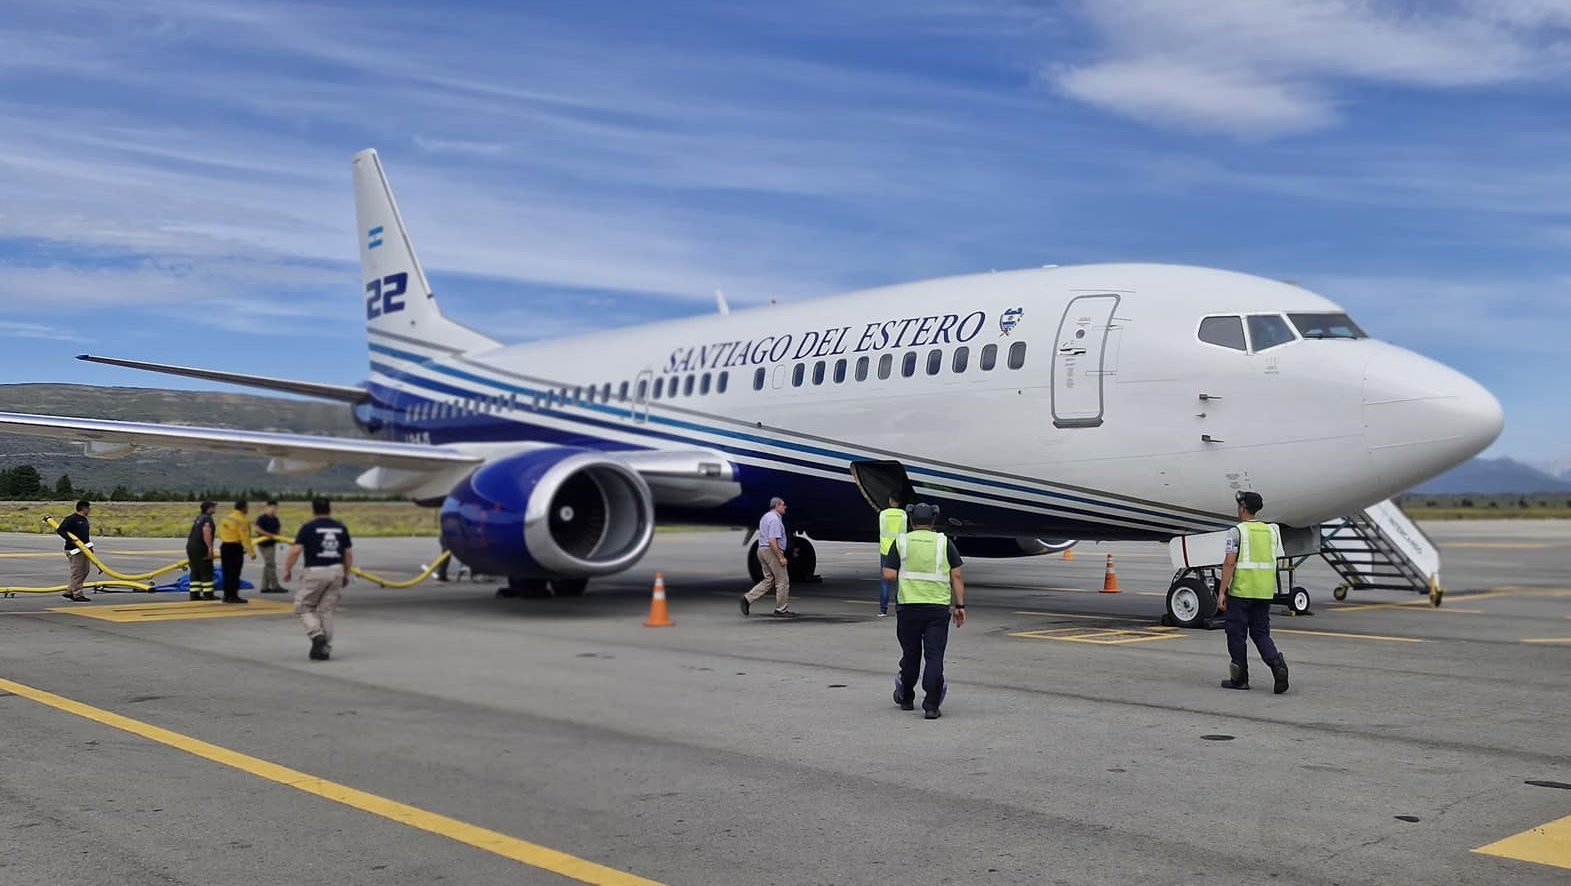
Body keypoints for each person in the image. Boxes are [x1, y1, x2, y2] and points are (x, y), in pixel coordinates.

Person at [883, 503, 965, 719]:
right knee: (934, 655)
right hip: (937, 609)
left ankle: (907, 697)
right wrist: (960, 606)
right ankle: (931, 704)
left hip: (908, 608)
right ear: (933, 521)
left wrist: (908, 575)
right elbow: (956, 576)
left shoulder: (901, 542)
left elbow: (889, 575)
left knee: (910, 654)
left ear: (911, 520)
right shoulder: (943, 542)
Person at [1217, 490, 1290, 694]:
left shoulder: (1237, 532)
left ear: (1242, 508)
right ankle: (1277, 666)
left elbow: (1229, 563)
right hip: (1264, 592)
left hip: (1242, 593)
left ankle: (1240, 679)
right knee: (1260, 634)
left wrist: (1222, 591)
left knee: (1236, 635)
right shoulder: (1271, 531)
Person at [283, 498, 353, 661]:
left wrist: (287, 569)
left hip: (316, 571)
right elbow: (348, 553)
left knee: (303, 606)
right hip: (337, 570)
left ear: (313, 510)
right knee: (326, 610)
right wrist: (347, 573)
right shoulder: (340, 527)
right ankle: (323, 649)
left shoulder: (308, 527)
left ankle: (317, 635)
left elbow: (295, 550)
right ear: (329, 509)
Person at [739, 496, 794, 617]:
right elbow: (772, 541)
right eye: (783, 505)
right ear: (777, 506)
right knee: (782, 581)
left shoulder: (765, 517)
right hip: (771, 551)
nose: (785, 507)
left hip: (761, 549)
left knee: (769, 580)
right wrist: (780, 557)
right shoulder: (775, 520)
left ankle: (748, 598)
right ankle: (781, 609)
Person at [216, 500, 256, 604]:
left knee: (226, 572)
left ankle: (227, 595)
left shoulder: (227, 518)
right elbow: (245, 537)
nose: (248, 509)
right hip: (235, 547)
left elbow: (220, 532)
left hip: (225, 546)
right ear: (243, 508)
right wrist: (251, 552)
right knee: (234, 573)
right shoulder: (241, 520)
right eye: (247, 507)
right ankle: (233, 596)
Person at [56, 499, 94, 603]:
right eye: (88, 508)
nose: (90, 510)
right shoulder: (72, 519)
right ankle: (77, 594)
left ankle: (69, 591)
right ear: (84, 508)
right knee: (77, 571)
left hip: (84, 549)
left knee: (85, 571)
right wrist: (71, 540)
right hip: (74, 550)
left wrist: (89, 548)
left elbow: (85, 536)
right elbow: (60, 530)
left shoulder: (84, 519)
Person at [876, 494, 907, 617]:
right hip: (899, 549)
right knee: (900, 580)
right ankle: (899, 607)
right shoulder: (903, 515)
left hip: (885, 549)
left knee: (885, 581)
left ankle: (883, 609)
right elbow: (904, 532)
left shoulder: (883, 514)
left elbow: (881, 529)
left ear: (890, 500)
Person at [186, 501, 218, 601]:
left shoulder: (199, 518)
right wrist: (209, 548)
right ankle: (208, 594)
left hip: (191, 546)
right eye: (213, 507)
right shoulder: (207, 518)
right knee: (206, 570)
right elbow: (206, 531)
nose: (215, 509)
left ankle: (194, 595)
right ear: (209, 508)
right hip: (201, 547)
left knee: (195, 571)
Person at [255, 500, 286, 593]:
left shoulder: (275, 519)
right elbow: (257, 529)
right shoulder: (262, 518)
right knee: (271, 564)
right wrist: (268, 535)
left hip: (272, 544)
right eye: (273, 508)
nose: (275, 510)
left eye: (276, 508)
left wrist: (283, 538)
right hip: (264, 545)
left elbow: (278, 530)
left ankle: (264, 587)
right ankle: (275, 586)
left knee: (268, 565)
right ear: (268, 507)